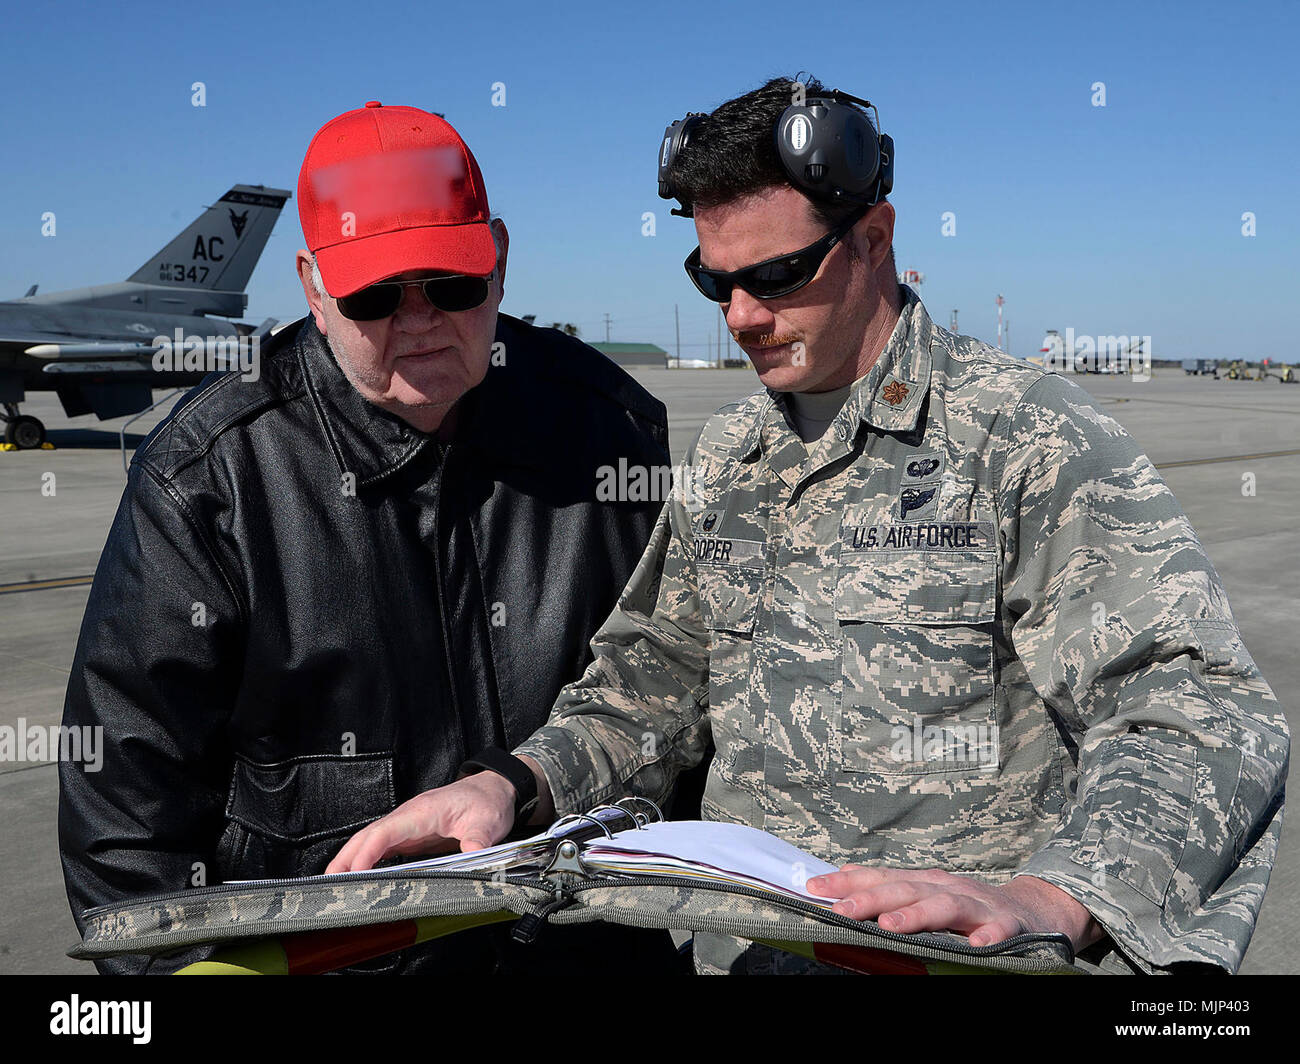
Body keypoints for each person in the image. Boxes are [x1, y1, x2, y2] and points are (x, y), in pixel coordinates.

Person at [328, 78, 1289, 975]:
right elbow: (650, 684)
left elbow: (1198, 713)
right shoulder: (734, 453)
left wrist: (1054, 896)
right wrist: (516, 785)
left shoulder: (1024, 440)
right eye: (716, 283)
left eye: (779, 276)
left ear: (875, 240)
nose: (742, 316)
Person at [58, 102, 683, 974]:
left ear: (498, 261)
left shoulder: (612, 432)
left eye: (453, 285)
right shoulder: (210, 478)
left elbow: (678, 709)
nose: (419, 320)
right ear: (314, 290)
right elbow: (126, 821)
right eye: (375, 295)